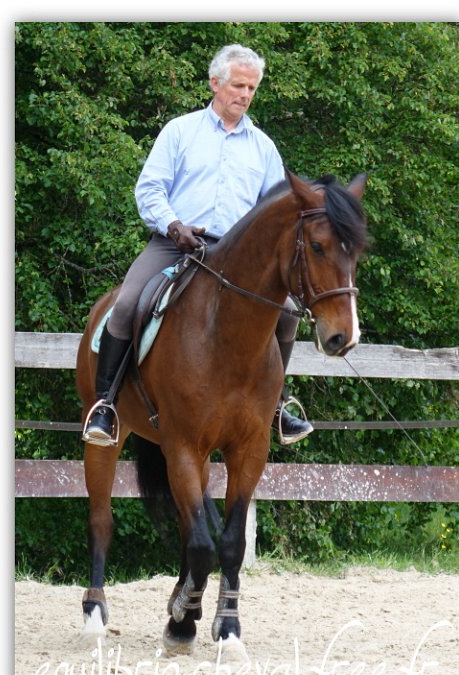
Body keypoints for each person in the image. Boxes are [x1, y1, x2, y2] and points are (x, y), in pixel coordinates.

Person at [83, 44, 313, 447]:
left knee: (288, 312)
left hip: (236, 257)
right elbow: (150, 188)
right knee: (128, 302)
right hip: (176, 243)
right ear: (215, 84)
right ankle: (105, 405)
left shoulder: (263, 147)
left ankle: (276, 405)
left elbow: (276, 211)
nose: (245, 94)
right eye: (239, 85)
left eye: (252, 88)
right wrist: (173, 226)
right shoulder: (180, 131)